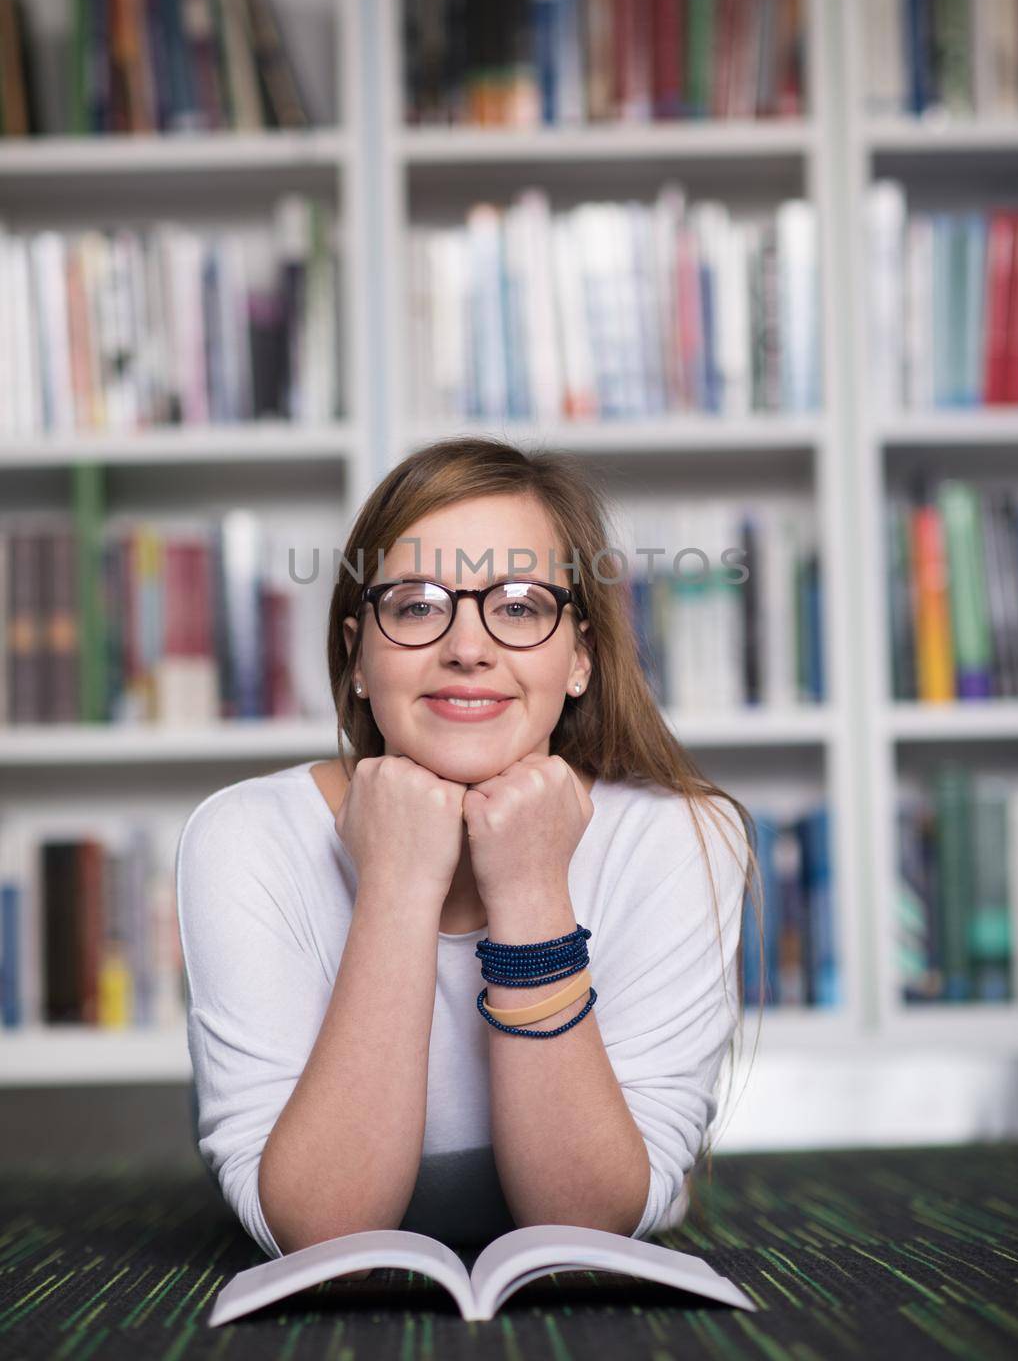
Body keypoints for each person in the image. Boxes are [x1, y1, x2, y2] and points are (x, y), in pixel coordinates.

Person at [175, 434, 766, 1261]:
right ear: (356, 655)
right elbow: (322, 1231)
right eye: (416, 604)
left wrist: (529, 892)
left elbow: (587, 1226)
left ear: (579, 661)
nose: (467, 646)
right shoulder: (245, 837)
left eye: (520, 605)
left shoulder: (681, 836)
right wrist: (396, 885)